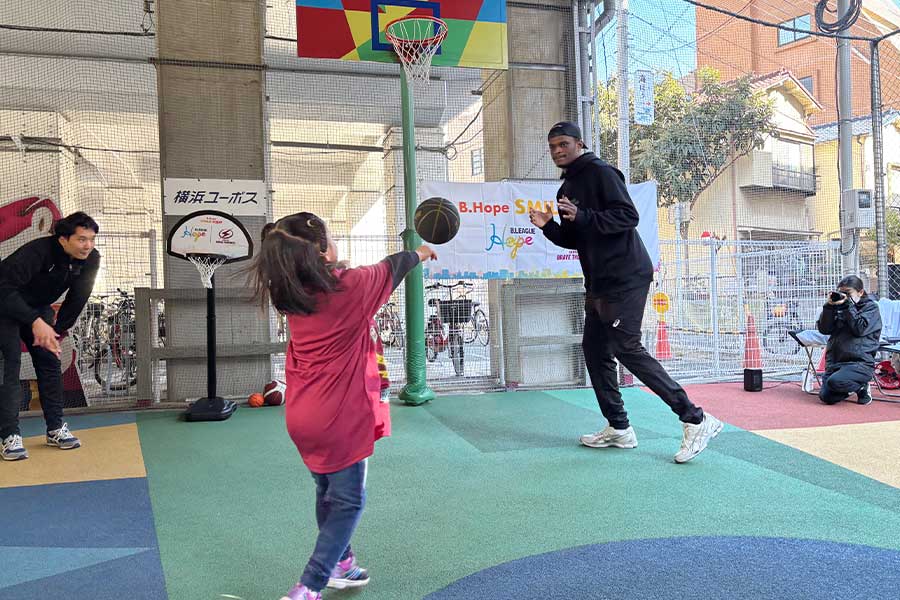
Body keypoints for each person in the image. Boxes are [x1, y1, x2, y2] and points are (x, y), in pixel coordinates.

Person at [247, 212, 437, 600]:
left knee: (327, 491)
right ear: (321, 251)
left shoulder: (291, 292)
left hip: (303, 416)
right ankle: (309, 586)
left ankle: (342, 563)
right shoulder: (349, 287)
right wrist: (422, 253)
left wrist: (332, 268)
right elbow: (393, 266)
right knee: (349, 501)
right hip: (339, 416)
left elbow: (337, 282)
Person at [529, 121, 722, 463]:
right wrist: (549, 227)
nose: (557, 150)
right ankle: (619, 427)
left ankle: (696, 418)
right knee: (593, 349)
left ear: (579, 143)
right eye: (553, 146)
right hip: (600, 281)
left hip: (626, 275)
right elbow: (576, 238)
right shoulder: (567, 186)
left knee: (626, 348)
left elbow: (627, 216)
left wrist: (584, 215)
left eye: (563, 144)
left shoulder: (601, 173)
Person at [0, 211, 100, 461]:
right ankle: (9, 435)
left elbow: (78, 297)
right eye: (81, 239)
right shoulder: (37, 252)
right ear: (63, 239)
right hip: (5, 305)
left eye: (91, 239)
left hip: (39, 307)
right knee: (9, 366)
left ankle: (56, 428)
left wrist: (56, 332)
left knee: (49, 363)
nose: (87, 245)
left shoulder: (90, 259)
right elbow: (3, 288)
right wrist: (34, 322)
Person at [816, 275, 881, 406]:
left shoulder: (871, 308)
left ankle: (861, 386)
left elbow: (859, 329)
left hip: (859, 363)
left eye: (848, 293)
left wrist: (848, 307)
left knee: (835, 382)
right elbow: (824, 329)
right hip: (836, 362)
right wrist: (829, 307)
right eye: (842, 292)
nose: (844, 296)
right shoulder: (838, 306)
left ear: (860, 292)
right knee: (826, 397)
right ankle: (854, 386)